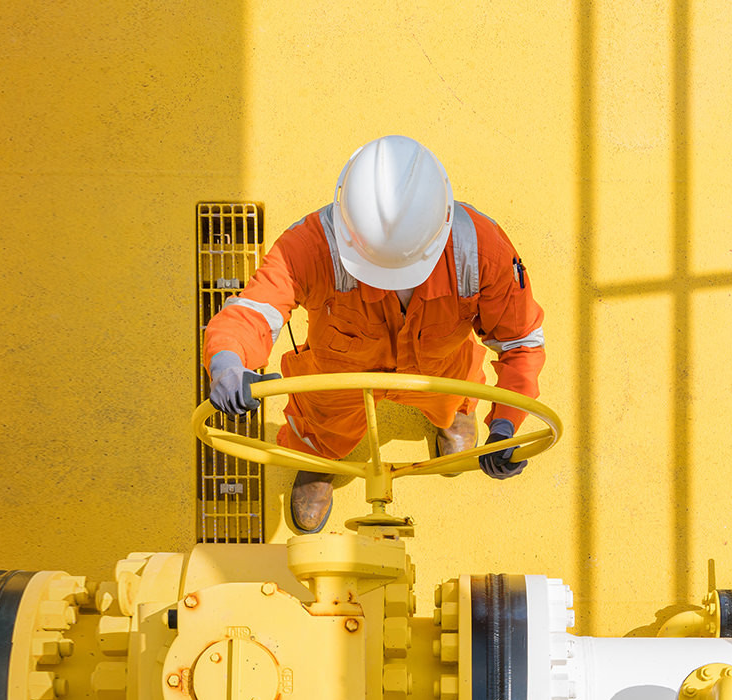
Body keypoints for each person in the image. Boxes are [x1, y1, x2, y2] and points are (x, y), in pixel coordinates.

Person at [203, 135, 546, 534]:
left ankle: (453, 414)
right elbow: (255, 309)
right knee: (324, 425)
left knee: (452, 396)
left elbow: (521, 341)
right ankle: (320, 458)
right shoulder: (310, 246)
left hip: (441, 369)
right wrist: (228, 360)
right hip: (339, 378)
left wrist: (505, 423)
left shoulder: (481, 251)